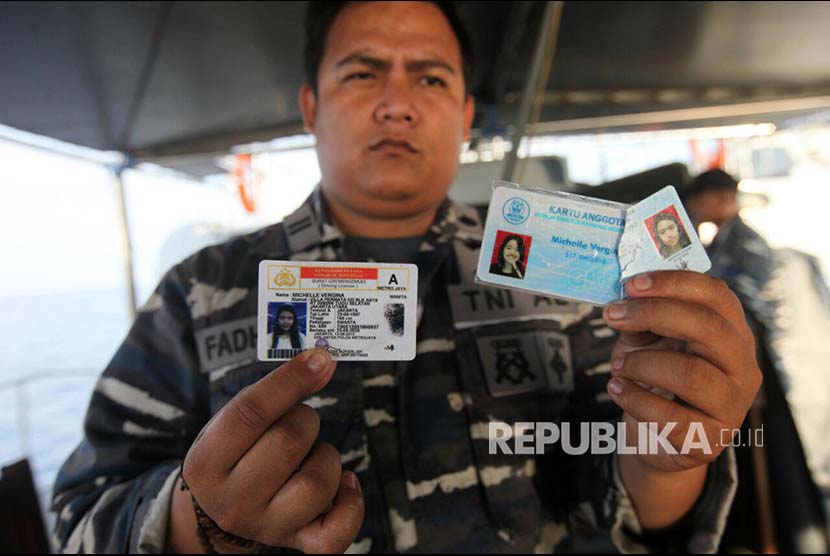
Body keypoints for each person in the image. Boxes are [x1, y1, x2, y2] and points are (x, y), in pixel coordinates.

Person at [52, 3, 761, 553]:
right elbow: (80, 515)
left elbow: (617, 493)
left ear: (462, 116)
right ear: (311, 107)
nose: (398, 102)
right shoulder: (196, 292)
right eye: (363, 73)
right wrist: (196, 520)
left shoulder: (578, 272)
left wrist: (668, 456)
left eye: (430, 76)